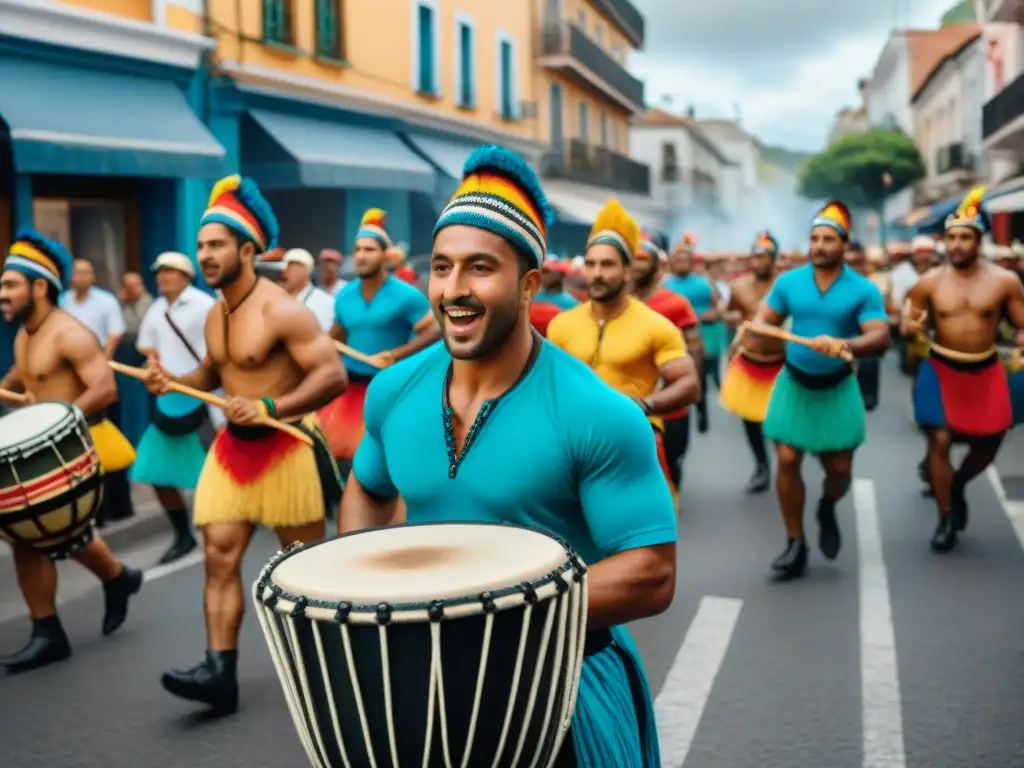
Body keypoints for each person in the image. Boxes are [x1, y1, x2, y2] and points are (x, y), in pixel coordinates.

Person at [340, 146, 676, 767]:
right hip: (420, 678)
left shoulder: (599, 413)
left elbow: (651, 571)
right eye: (441, 268)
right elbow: (367, 485)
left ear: (527, 285)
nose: (455, 291)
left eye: (479, 269)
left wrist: (491, 611)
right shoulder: (393, 391)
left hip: (559, 685)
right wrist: (359, 584)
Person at [141, 175, 346, 713]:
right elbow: (213, 372)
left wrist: (270, 407)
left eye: (216, 245)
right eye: (201, 245)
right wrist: (173, 381)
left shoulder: (282, 309)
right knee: (218, 554)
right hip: (233, 450)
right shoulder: (215, 313)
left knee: (302, 567)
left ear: (248, 250)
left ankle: (328, 670)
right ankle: (219, 672)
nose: (204, 255)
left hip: (287, 446)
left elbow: (331, 376)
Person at [0, 228, 142, 674]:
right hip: (45, 453)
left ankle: (53, 630)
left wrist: (57, 424)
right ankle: (112, 584)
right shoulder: (26, 335)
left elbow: (104, 388)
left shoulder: (70, 333)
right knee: (40, 535)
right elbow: (22, 379)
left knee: (39, 536)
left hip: (79, 444)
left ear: (39, 287)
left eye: (10, 285)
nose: (1, 293)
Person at [753, 202, 889, 579]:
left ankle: (827, 505)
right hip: (794, 384)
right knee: (787, 460)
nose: (819, 245)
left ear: (844, 245)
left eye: (828, 239)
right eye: (814, 238)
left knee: (840, 470)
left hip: (838, 388)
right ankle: (795, 542)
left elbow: (880, 336)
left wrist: (847, 344)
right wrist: (754, 329)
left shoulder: (862, 289)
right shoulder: (788, 283)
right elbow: (768, 320)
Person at [547, 200, 700, 498]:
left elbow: (690, 384)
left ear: (628, 271)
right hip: (571, 452)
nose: (597, 274)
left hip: (632, 449)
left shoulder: (656, 326)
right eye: (590, 264)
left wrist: (644, 406)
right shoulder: (561, 325)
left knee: (640, 541)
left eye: (608, 264)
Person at [903, 186, 1024, 553]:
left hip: (985, 370)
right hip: (939, 368)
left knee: (988, 445)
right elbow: (910, 321)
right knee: (939, 440)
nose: (956, 244)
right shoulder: (928, 283)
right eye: (951, 237)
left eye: (964, 238)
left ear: (979, 240)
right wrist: (908, 326)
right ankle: (944, 518)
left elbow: (1022, 324)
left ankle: (956, 485)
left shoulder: (1004, 282)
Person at [322, 208, 440, 465]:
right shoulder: (344, 296)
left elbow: (435, 331)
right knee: (345, 461)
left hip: (390, 388)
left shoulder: (405, 294)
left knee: (386, 460)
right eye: (358, 250)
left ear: (384, 255)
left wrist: (396, 355)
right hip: (350, 392)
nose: (362, 256)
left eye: (370, 250)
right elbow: (335, 340)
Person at [133, 252, 218, 564]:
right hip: (166, 400)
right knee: (155, 472)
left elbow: (217, 351)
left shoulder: (204, 305)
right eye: (159, 272)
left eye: (169, 272)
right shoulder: (157, 307)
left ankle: (218, 533)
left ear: (185, 275)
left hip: (203, 398)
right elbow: (148, 348)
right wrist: (151, 365)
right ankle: (182, 533)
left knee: (213, 475)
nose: (161, 278)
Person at [630, 233, 702, 491]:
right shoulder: (607, 306)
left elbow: (694, 351)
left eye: (643, 258)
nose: (637, 264)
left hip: (669, 404)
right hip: (625, 401)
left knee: (671, 461)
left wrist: (697, 395)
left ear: (657, 265)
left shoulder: (677, 305)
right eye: (633, 258)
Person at [719, 230, 785, 493]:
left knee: (779, 418)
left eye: (764, 257)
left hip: (782, 361)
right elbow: (729, 315)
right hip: (749, 361)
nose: (758, 262)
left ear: (774, 259)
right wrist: (737, 329)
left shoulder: (785, 285)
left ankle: (786, 466)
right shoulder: (738, 287)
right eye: (755, 256)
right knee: (751, 419)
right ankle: (761, 466)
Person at [664, 240, 723, 433]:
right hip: (672, 340)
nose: (681, 261)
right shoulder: (663, 285)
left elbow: (718, 306)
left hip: (701, 336)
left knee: (700, 377)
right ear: (671, 261)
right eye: (677, 258)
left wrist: (713, 314)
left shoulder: (704, 283)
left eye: (685, 258)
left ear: (691, 261)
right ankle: (677, 414)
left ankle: (701, 411)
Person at [845, 241, 885, 411]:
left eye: (857, 263)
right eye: (847, 263)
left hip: (864, 357)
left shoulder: (872, 290)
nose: (852, 269)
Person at [280, 248, 335, 332]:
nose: (284, 272)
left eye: (290, 266)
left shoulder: (325, 303)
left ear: (306, 270)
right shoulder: (277, 299)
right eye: (283, 267)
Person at [531, 256, 579, 336]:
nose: (545, 276)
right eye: (543, 272)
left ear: (561, 275)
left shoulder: (572, 304)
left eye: (549, 273)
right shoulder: (530, 298)